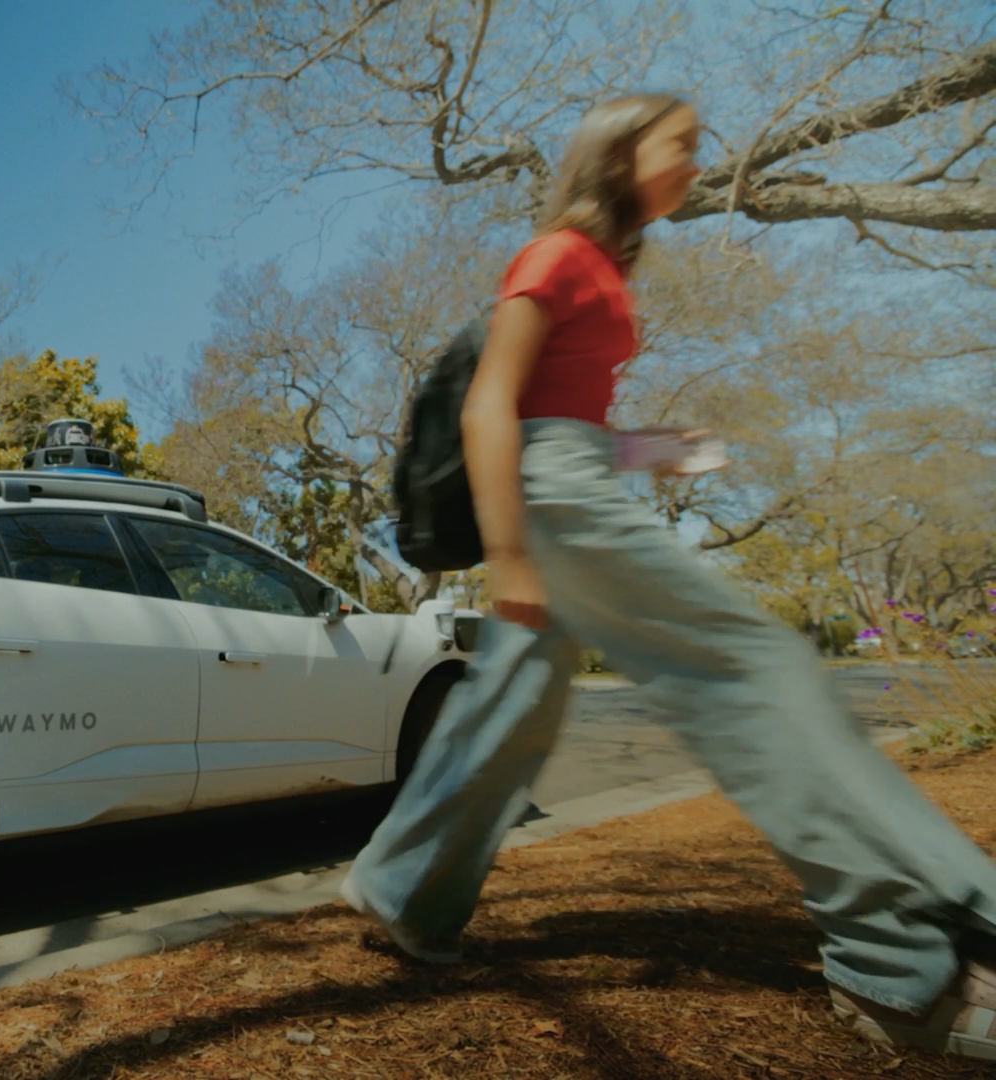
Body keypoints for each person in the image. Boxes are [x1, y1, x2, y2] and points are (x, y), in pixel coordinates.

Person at [342, 93, 996, 1061]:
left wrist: (654, 448)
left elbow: (568, 423)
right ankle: (896, 959)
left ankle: (401, 890)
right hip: (554, 501)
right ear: (617, 153)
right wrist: (515, 553)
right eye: (679, 144)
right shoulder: (556, 255)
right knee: (755, 667)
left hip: (565, 479)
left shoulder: (603, 269)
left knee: (514, 705)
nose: (695, 161)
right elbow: (493, 409)